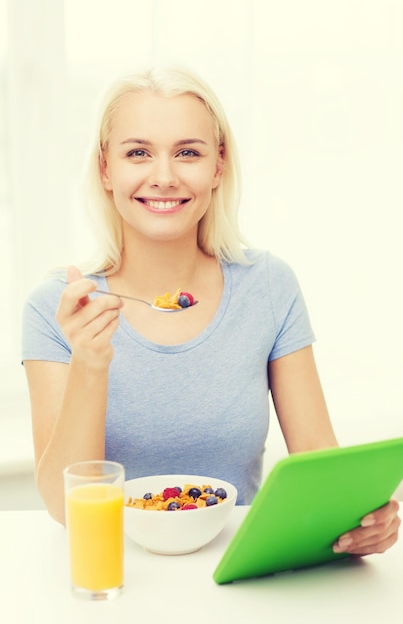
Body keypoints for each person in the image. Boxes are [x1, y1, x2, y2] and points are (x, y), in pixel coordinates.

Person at [22, 66, 400, 553]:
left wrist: (361, 521)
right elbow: (63, 506)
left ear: (218, 167)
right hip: (112, 576)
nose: (164, 177)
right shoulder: (57, 308)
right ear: (105, 169)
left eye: (188, 153)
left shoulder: (268, 285)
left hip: (242, 570)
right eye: (138, 153)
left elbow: (319, 464)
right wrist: (90, 362)